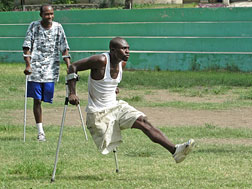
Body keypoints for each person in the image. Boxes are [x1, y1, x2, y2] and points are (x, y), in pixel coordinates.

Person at [67, 37, 195, 163]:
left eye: (128, 49)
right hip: (99, 113)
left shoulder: (122, 63)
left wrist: (114, 88)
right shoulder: (100, 60)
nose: (127, 52)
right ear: (113, 50)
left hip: (116, 107)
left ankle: (175, 151)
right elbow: (73, 67)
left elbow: (107, 83)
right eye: (123, 49)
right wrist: (72, 93)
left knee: (143, 121)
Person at [23, 5, 71, 142]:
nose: (49, 17)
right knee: (37, 100)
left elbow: (64, 47)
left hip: (51, 69)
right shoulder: (33, 26)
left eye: (51, 14)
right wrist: (28, 64)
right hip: (35, 69)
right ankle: (40, 132)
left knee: (47, 99)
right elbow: (27, 46)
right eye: (46, 14)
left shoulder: (58, 27)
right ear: (41, 15)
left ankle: (42, 130)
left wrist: (69, 66)